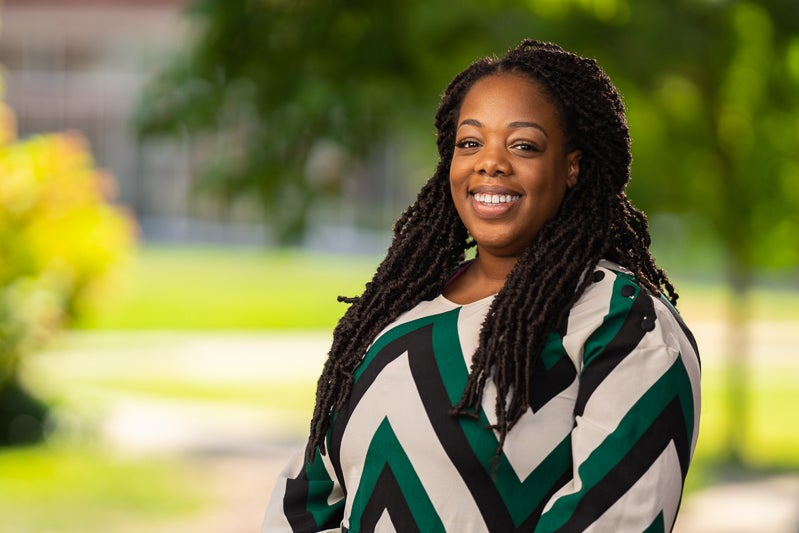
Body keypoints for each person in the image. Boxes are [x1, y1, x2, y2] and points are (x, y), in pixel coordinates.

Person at [262, 39, 701, 533]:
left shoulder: (623, 322)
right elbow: (305, 503)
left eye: (524, 145)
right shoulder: (396, 314)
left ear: (572, 166)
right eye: (470, 143)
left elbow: (619, 520)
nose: (490, 162)